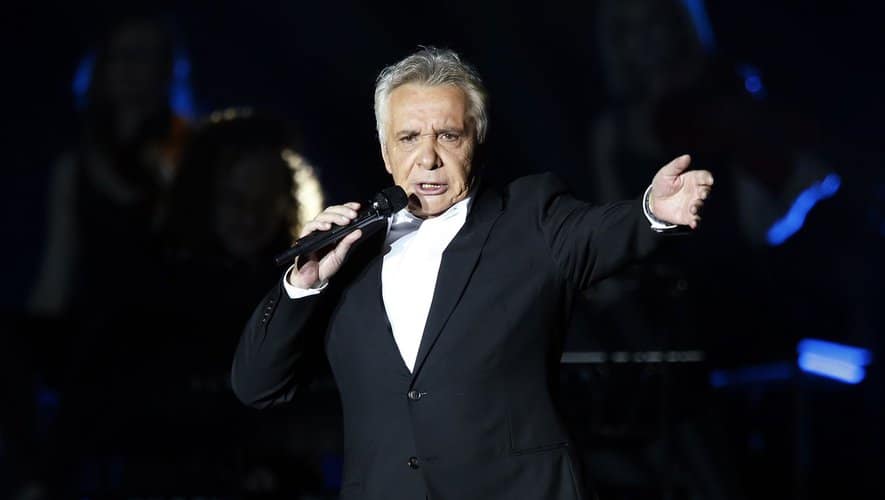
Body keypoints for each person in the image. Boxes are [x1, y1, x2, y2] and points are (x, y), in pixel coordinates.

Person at [232, 47, 713, 500]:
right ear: (385, 151)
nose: (429, 157)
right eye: (409, 138)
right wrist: (302, 285)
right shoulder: (349, 251)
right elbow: (258, 386)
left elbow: (596, 233)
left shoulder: (529, 218)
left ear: (475, 141)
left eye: (447, 135)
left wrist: (652, 210)